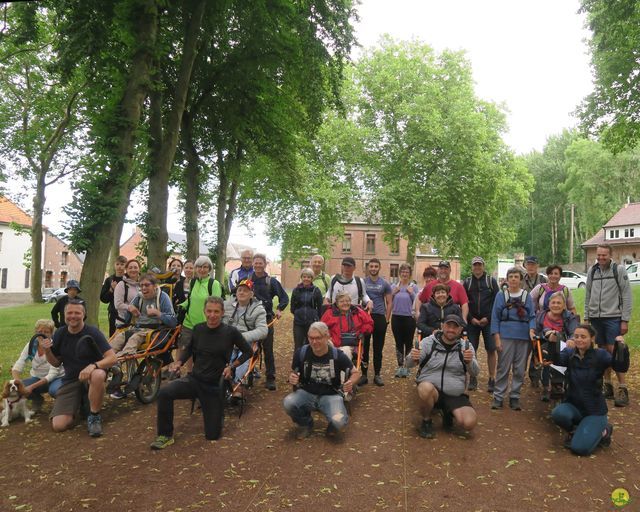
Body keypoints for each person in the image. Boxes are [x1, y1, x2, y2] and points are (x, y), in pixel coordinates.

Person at [150, 297, 251, 449]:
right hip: (195, 380)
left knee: (212, 436)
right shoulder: (198, 329)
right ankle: (165, 435)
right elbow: (189, 349)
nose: (212, 315)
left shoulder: (230, 332)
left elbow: (248, 351)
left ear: (222, 313)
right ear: (204, 312)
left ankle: (217, 413)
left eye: (216, 311)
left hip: (214, 386)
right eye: (209, 311)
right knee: (165, 392)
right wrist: (179, 363)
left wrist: (232, 366)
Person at [549, 324, 628, 456]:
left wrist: (621, 348)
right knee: (558, 413)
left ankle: (605, 431)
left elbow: (620, 366)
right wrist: (553, 342)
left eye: (583, 337)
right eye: (576, 336)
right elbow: (555, 359)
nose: (579, 339)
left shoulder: (600, 355)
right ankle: (577, 430)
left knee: (580, 449)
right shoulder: (570, 353)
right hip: (574, 406)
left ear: (592, 338)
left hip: (595, 411)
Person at [40, 300, 116, 437]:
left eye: (77, 313)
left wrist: (93, 365)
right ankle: (81, 403)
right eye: (69, 313)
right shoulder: (60, 334)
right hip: (71, 380)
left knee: (98, 374)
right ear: (64, 315)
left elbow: (112, 358)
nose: (73, 316)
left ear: (83, 314)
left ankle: (94, 416)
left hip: (92, 377)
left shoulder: (93, 332)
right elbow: (56, 363)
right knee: (59, 426)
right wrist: (47, 351)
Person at [283, 322, 361, 439]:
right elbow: (294, 371)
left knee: (339, 421)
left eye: (318, 338)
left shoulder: (337, 355)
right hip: (306, 392)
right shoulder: (301, 352)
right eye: (311, 338)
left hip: (331, 395)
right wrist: (292, 377)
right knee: (288, 403)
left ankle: (332, 426)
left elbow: (356, 373)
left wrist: (350, 382)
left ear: (327, 337)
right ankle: (305, 424)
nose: (314, 342)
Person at [406, 314, 479, 439]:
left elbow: (475, 372)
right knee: (425, 389)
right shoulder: (429, 342)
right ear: (442, 326)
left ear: (460, 330)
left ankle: (447, 412)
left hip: (455, 394)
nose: (451, 330)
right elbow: (408, 364)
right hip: (432, 390)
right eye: (448, 325)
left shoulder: (465, 346)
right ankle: (426, 420)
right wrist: (412, 357)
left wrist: (469, 361)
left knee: (469, 423)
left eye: (455, 327)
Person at [109, 274, 177, 399]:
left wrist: (158, 313)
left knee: (134, 339)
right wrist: (131, 310)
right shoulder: (138, 298)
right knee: (119, 338)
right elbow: (128, 319)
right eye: (141, 285)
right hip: (137, 328)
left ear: (154, 286)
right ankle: (111, 361)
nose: (144, 288)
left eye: (147, 285)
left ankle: (119, 359)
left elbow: (173, 321)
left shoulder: (163, 297)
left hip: (155, 330)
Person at [584, 244, 632, 407]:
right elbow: (588, 294)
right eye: (599, 255)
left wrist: (624, 319)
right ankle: (608, 386)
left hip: (613, 318)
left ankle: (622, 389)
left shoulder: (618, 270)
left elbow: (626, 295)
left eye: (604, 255)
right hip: (596, 319)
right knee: (602, 353)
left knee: (615, 352)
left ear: (610, 255)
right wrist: (586, 317)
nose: (601, 258)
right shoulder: (592, 271)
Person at [490, 267, 536, 411]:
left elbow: (532, 316)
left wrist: (532, 330)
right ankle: (498, 396)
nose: (514, 279)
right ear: (507, 279)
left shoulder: (526, 296)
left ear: (520, 280)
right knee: (503, 367)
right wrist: (496, 338)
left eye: (516, 277)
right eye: (511, 277)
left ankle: (514, 396)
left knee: (520, 368)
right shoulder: (501, 296)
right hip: (506, 335)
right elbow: (495, 317)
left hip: (523, 337)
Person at [249, 253, 289, 391]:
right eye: (256, 263)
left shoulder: (271, 281)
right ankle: (248, 375)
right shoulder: (247, 280)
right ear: (253, 264)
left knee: (268, 349)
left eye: (261, 263)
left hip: (266, 320)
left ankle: (270, 378)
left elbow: (284, 298)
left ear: (265, 264)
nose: (258, 265)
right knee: (250, 348)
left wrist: (279, 309)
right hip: (250, 320)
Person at [223, 279, 268, 401]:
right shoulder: (227, 305)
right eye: (239, 290)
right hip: (229, 342)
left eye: (246, 290)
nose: (242, 293)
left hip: (247, 341)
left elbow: (263, 331)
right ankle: (221, 383)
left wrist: (241, 338)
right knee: (225, 357)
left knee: (243, 358)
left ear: (251, 294)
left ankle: (237, 385)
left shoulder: (258, 309)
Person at [176, 256, 223, 367]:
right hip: (189, 323)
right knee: (186, 349)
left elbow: (216, 305)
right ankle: (189, 373)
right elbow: (190, 299)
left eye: (205, 267)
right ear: (196, 268)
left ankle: (200, 375)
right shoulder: (193, 282)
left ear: (209, 269)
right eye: (199, 267)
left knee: (203, 352)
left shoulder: (214, 284)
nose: (202, 269)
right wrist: (181, 306)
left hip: (205, 325)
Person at [534, 292, 579, 402]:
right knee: (550, 347)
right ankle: (549, 386)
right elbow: (535, 332)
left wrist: (571, 339)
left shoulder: (569, 316)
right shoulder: (541, 316)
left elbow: (574, 332)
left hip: (564, 345)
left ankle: (558, 383)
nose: (556, 305)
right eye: (553, 302)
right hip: (543, 345)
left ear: (564, 305)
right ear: (548, 304)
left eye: (559, 303)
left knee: (561, 345)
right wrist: (547, 333)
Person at [11, 319, 64, 412]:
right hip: (38, 378)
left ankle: (61, 405)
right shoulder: (31, 345)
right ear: (35, 332)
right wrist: (17, 381)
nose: (42, 334)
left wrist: (31, 387)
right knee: (17, 388)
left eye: (46, 332)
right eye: (40, 332)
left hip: (56, 378)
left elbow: (52, 374)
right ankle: (37, 399)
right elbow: (19, 363)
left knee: (55, 390)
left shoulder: (55, 346)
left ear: (52, 333)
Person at [463, 256, 499, 392]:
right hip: (472, 321)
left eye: (479, 265)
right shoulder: (467, 282)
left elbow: (497, 302)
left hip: (488, 321)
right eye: (475, 265)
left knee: (491, 349)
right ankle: (473, 376)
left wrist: (488, 318)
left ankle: (492, 378)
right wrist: (471, 318)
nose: (477, 267)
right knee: (472, 350)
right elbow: (464, 302)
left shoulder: (491, 281)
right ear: (472, 267)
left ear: (483, 266)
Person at [362, 258, 392, 386]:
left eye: (376, 266)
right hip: (365, 317)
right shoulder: (362, 282)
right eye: (371, 266)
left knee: (378, 348)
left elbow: (389, 302)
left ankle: (377, 374)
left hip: (379, 317)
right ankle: (363, 374)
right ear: (368, 268)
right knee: (365, 347)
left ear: (379, 268)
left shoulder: (384, 283)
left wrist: (387, 319)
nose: (373, 268)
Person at [321, 291, 373, 361]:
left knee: (345, 350)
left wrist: (362, 331)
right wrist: (328, 337)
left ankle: (345, 370)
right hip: (333, 343)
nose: (345, 303)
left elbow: (369, 323)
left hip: (352, 344)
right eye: (342, 301)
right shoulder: (329, 313)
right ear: (336, 303)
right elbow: (321, 328)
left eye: (347, 301)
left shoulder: (357, 311)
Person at [390, 264, 420, 381]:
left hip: (409, 318)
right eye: (402, 271)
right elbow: (388, 302)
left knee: (408, 343)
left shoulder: (414, 287)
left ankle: (407, 367)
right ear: (399, 273)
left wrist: (411, 293)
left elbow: (417, 303)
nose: (404, 274)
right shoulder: (394, 286)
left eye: (406, 272)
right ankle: (400, 366)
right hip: (396, 317)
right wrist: (393, 293)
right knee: (398, 343)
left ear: (410, 273)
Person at [290, 268, 323, 350]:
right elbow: (292, 307)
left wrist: (315, 317)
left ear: (312, 278)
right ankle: (298, 362)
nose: (306, 279)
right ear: (301, 277)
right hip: (298, 322)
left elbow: (319, 307)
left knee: (311, 344)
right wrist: (298, 313)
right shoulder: (296, 290)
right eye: (304, 277)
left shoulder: (316, 290)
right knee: (298, 345)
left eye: (308, 277)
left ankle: (309, 362)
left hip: (311, 322)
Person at [100, 255, 127, 336]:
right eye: (117, 264)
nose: (119, 267)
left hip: (127, 312)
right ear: (114, 265)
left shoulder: (128, 280)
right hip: (113, 312)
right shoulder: (109, 280)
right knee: (113, 335)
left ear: (126, 266)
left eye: (122, 264)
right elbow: (104, 299)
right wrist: (111, 290)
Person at [113, 259, 141, 329]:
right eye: (130, 268)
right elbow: (118, 304)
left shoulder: (142, 284)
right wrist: (129, 307)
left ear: (139, 269)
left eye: (135, 267)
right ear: (126, 270)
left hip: (140, 324)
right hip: (124, 324)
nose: (133, 270)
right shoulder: (121, 285)